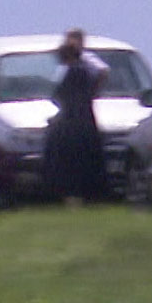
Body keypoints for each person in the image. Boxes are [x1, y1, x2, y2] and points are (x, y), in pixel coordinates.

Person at [41, 30, 110, 202]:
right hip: (85, 120)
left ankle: (69, 192)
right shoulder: (83, 71)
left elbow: (61, 95)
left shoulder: (75, 72)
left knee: (71, 160)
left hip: (72, 122)